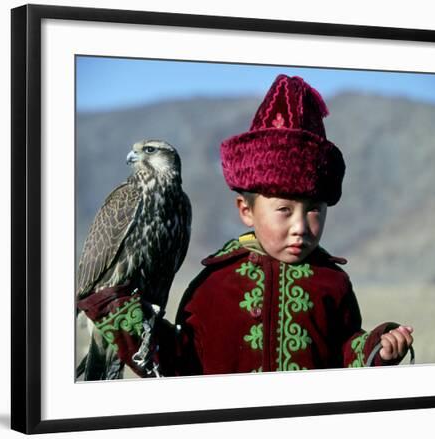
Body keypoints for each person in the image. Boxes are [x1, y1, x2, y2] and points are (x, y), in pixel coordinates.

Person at [77, 74, 414, 378]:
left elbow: (343, 354)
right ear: (246, 210)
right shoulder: (215, 284)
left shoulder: (333, 283)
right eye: (284, 209)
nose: (300, 226)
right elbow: (182, 361)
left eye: (314, 211)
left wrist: (376, 348)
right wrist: (123, 317)